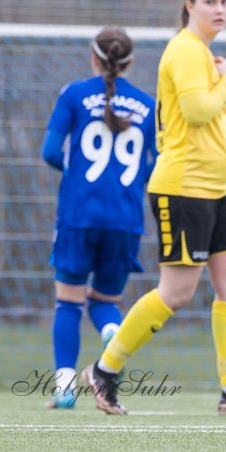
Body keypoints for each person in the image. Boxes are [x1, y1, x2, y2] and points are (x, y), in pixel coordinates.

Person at [83, 0, 226, 416]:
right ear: (188, 7)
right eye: (211, 1)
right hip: (183, 189)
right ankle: (104, 369)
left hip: (218, 189)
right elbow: (197, 112)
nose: (220, 9)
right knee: (176, 293)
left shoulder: (204, 54)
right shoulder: (185, 51)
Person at [40, 26, 154, 408]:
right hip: (125, 219)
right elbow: (153, 166)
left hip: (79, 215)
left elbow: (51, 152)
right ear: (130, 62)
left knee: (68, 302)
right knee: (105, 299)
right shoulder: (147, 105)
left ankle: (65, 388)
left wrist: (78, 174)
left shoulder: (74, 95)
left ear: (93, 58)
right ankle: (110, 331)